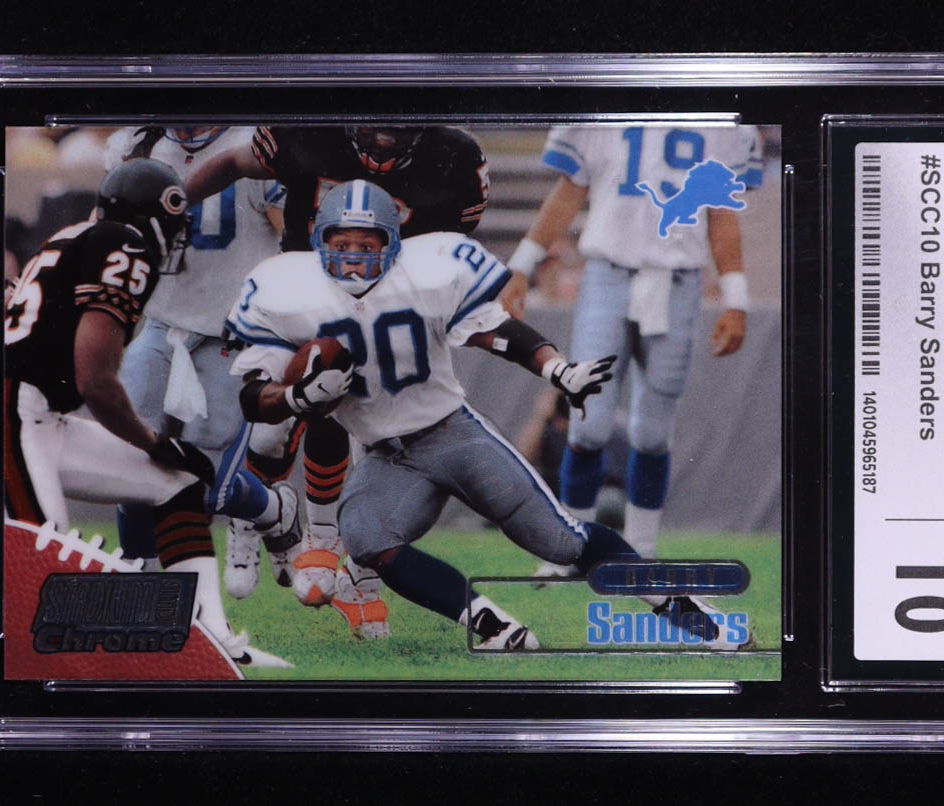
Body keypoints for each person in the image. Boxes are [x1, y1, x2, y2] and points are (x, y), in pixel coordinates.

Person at [224, 180, 751, 651]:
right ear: (320, 241)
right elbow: (254, 395)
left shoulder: (430, 272)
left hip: (452, 432)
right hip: (387, 457)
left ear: (393, 243)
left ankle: (688, 610)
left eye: (367, 245)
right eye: (342, 245)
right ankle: (494, 626)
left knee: (563, 541)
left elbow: (496, 331)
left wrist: (557, 370)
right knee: (365, 536)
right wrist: (296, 398)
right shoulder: (288, 290)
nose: (354, 259)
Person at [185, 125, 489, 638]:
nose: (384, 140)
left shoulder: (452, 156)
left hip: (390, 303)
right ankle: (268, 518)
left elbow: (453, 243)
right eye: (374, 125)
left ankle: (354, 574)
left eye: (400, 128)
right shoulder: (308, 130)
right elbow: (235, 161)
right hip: (303, 288)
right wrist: (169, 201)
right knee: (274, 426)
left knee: (386, 441)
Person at [3, 158, 288, 668]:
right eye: (173, 223)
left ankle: (211, 640)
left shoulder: (74, 235)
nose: (175, 239)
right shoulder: (124, 244)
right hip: (13, 414)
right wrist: (153, 440)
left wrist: (161, 452)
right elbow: (96, 382)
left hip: (41, 415)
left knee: (176, 481)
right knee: (43, 577)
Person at [502, 125, 763, 563]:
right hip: (608, 274)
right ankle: (568, 550)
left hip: (677, 281)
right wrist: (522, 264)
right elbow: (569, 192)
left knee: (654, 433)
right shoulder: (601, 112)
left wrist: (736, 299)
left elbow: (721, 214)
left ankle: (641, 551)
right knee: (587, 424)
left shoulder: (723, 123)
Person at [104, 126, 300, 599]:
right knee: (128, 457)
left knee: (208, 489)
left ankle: (274, 509)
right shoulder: (133, 145)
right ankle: (139, 575)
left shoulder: (253, 142)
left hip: (232, 333)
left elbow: (293, 250)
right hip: (162, 324)